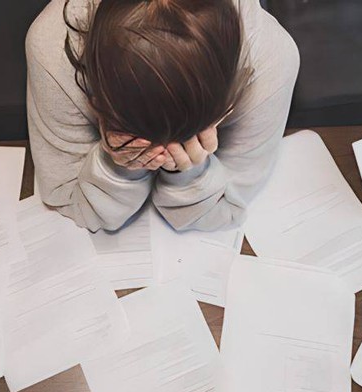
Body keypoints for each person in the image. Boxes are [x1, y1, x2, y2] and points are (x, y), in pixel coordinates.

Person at [26, 0, 299, 232]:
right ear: (95, 98)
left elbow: (227, 209)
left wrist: (190, 173)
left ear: (227, 106)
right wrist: (117, 165)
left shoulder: (270, 62)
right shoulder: (52, 48)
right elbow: (67, 198)